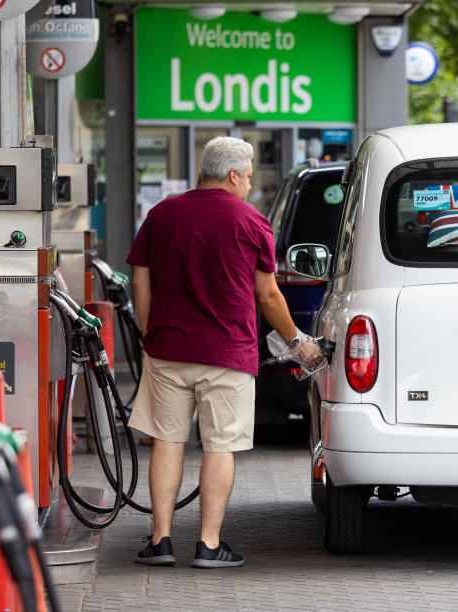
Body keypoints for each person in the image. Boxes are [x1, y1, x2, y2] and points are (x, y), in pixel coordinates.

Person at [126, 136, 324, 568]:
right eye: (248, 177)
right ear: (233, 175)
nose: (250, 186)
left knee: (168, 441)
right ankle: (209, 545)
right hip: (228, 353)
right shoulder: (252, 222)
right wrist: (296, 341)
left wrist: (149, 331)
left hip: (168, 349)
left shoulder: (161, 215)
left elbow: (140, 281)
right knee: (219, 447)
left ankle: (160, 541)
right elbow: (268, 296)